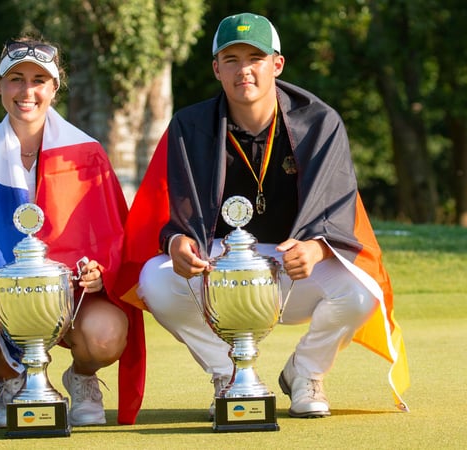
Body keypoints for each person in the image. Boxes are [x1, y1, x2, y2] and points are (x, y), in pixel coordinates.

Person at [113, 13, 409, 419]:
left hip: (293, 263)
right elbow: (176, 213)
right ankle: (229, 375)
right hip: (220, 265)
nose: (244, 70)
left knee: (362, 291)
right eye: (231, 59)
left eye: (255, 57)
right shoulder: (190, 124)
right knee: (155, 280)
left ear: (277, 64)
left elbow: (338, 212)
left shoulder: (320, 122)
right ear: (216, 68)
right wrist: (177, 243)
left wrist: (318, 249)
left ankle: (305, 374)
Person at [0, 35, 145, 431]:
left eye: (38, 80)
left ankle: (81, 377)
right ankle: (18, 380)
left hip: (73, 299)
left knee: (107, 334)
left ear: (54, 88)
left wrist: (100, 273)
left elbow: (115, 240)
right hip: (1, 302)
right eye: (16, 79)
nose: (27, 91)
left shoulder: (88, 153)